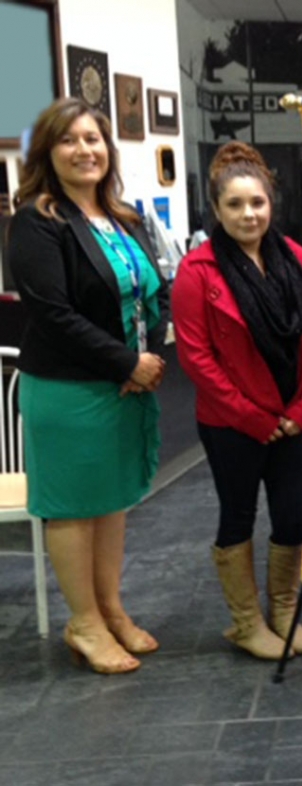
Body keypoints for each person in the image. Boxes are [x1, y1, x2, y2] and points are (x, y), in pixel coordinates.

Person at [8, 98, 168, 674]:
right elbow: (53, 313)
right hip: (70, 389)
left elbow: (154, 289)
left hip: (122, 385)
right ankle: (83, 623)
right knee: (76, 509)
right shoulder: (36, 221)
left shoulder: (122, 217)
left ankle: (110, 609)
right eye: (69, 140)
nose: (85, 150)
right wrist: (126, 363)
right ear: (49, 153)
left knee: (111, 503)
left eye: (94, 139)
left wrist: (146, 357)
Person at [172, 142, 302, 660]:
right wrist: (254, 418)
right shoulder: (198, 271)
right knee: (238, 515)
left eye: (256, 202)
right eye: (234, 205)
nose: (248, 214)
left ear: (270, 204)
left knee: (292, 515)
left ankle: (282, 610)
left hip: (292, 421)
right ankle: (246, 622)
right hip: (232, 423)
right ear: (216, 210)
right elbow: (197, 359)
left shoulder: (297, 260)